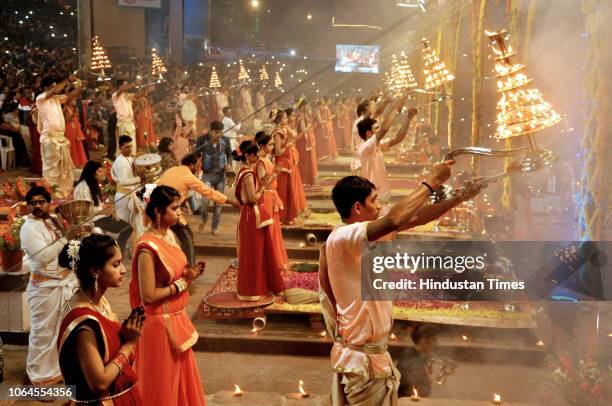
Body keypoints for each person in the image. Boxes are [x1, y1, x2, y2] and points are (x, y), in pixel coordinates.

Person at [318, 168, 483, 405]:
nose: (378, 207)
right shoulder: (344, 237)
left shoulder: (367, 234)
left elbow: (415, 217)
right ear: (357, 208)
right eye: (373, 201)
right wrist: (432, 182)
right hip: (361, 363)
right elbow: (395, 218)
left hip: (369, 358)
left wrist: (460, 197)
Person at [130, 185, 207, 405]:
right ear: (157, 212)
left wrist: (187, 274)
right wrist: (184, 282)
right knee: (162, 389)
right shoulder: (147, 248)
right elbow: (149, 295)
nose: (180, 211)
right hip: (159, 327)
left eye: (180, 206)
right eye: (174, 208)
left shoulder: (169, 235)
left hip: (176, 320)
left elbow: (169, 275)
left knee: (179, 384)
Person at [57, 234, 144, 405]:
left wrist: (123, 334)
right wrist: (129, 344)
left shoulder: (99, 301)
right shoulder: (84, 324)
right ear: (95, 271)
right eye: (115, 264)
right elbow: (99, 382)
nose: (123, 270)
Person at [20, 186, 79, 385]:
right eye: (33, 203)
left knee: (59, 332)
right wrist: (66, 238)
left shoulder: (52, 221)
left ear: (48, 203)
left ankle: (55, 372)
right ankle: (38, 379)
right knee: (43, 335)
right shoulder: (28, 227)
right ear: (28, 206)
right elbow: (43, 255)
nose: (37, 205)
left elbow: (65, 250)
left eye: (41, 202)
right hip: (44, 289)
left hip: (62, 283)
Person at [157, 153, 234, 264]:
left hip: (156, 208)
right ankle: (190, 268)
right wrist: (230, 202)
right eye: (197, 165)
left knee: (166, 239)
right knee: (187, 236)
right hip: (167, 210)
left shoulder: (172, 170)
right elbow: (208, 192)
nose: (199, 167)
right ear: (192, 165)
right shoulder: (188, 176)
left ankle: (177, 264)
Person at [233, 141, 286, 301]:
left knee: (258, 251)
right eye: (255, 154)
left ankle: (259, 286)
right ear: (248, 155)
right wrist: (263, 189)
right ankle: (254, 290)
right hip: (253, 215)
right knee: (255, 254)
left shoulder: (240, 170)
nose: (258, 158)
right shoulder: (248, 173)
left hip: (248, 215)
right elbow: (252, 197)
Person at [356, 98, 418, 202]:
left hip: (381, 193)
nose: (379, 131)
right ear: (368, 133)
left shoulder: (377, 145)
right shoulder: (366, 147)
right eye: (376, 128)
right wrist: (395, 109)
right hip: (372, 195)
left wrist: (408, 118)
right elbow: (385, 129)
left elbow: (399, 138)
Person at [36, 75, 81, 198]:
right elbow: (56, 90)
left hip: (60, 139)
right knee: (51, 169)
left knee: (64, 168)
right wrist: (67, 80)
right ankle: (50, 194)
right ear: (47, 87)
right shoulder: (41, 98)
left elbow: (72, 95)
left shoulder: (56, 99)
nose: (57, 88)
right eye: (54, 86)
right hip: (50, 139)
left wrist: (81, 85)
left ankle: (60, 192)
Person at [74, 160, 133, 254]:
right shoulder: (82, 187)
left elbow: (97, 205)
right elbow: (84, 210)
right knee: (127, 228)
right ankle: (118, 253)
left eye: (102, 171)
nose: (103, 174)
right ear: (92, 173)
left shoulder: (93, 184)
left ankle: (117, 252)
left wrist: (109, 211)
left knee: (127, 227)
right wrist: (105, 211)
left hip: (100, 217)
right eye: (100, 171)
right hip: (92, 220)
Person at [255, 131, 289, 271]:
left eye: (272, 144)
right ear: (261, 146)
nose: (272, 146)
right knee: (269, 230)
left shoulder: (267, 159)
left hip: (271, 197)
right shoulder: (261, 162)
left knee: (274, 229)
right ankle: (267, 261)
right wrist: (275, 173)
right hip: (266, 198)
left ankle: (273, 259)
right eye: (269, 144)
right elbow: (263, 183)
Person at [195, 120, 232, 235]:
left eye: (221, 132)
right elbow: (196, 154)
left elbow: (229, 155)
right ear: (211, 131)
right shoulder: (202, 140)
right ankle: (204, 218)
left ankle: (214, 227)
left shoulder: (226, 140)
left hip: (221, 175)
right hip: (206, 175)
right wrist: (196, 164)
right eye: (217, 132)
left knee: (218, 202)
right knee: (204, 201)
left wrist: (229, 164)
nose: (219, 134)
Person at [273, 110, 307, 225]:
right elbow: (278, 152)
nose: (286, 120)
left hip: (287, 163)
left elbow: (294, 138)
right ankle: (281, 217)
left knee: (288, 191)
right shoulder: (277, 133)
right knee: (282, 191)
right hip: (281, 165)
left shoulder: (284, 130)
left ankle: (288, 216)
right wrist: (287, 146)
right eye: (284, 118)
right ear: (279, 120)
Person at [111, 135, 144, 240]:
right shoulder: (121, 162)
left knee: (133, 225)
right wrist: (140, 179)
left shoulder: (129, 158)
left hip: (131, 195)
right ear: (120, 148)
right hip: (124, 196)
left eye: (131, 146)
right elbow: (123, 181)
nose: (130, 149)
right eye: (127, 147)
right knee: (124, 226)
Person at [397, 324, 440, 398]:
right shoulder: (409, 359)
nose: (436, 344)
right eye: (434, 340)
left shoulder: (420, 355)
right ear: (423, 341)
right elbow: (406, 388)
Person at [295, 101, 318, 186]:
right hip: (302, 140)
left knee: (305, 160)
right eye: (306, 106)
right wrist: (310, 126)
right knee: (304, 160)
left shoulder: (300, 116)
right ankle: (303, 180)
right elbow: (303, 130)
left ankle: (305, 180)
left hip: (302, 140)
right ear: (302, 107)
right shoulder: (301, 117)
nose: (307, 107)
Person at [112, 81, 136, 155]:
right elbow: (121, 90)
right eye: (124, 84)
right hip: (123, 123)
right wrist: (130, 85)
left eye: (127, 84)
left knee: (132, 142)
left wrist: (146, 89)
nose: (126, 86)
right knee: (124, 143)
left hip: (130, 122)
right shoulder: (115, 95)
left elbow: (138, 95)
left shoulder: (127, 95)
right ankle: (123, 159)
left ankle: (131, 159)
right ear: (119, 86)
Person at [63, 98, 88, 167]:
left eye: (75, 100)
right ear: (69, 101)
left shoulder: (74, 108)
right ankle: (71, 163)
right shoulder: (66, 109)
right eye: (73, 100)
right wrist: (73, 113)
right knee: (72, 145)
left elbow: (77, 119)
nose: (75, 102)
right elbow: (68, 120)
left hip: (76, 128)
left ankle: (77, 162)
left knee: (78, 144)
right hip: (69, 128)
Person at [135, 86, 157, 150]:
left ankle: (147, 146)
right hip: (143, 118)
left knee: (147, 132)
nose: (147, 92)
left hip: (146, 118)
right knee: (144, 132)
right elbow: (140, 108)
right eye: (146, 91)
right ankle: (144, 146)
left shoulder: (143, 99)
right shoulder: (141, 99)